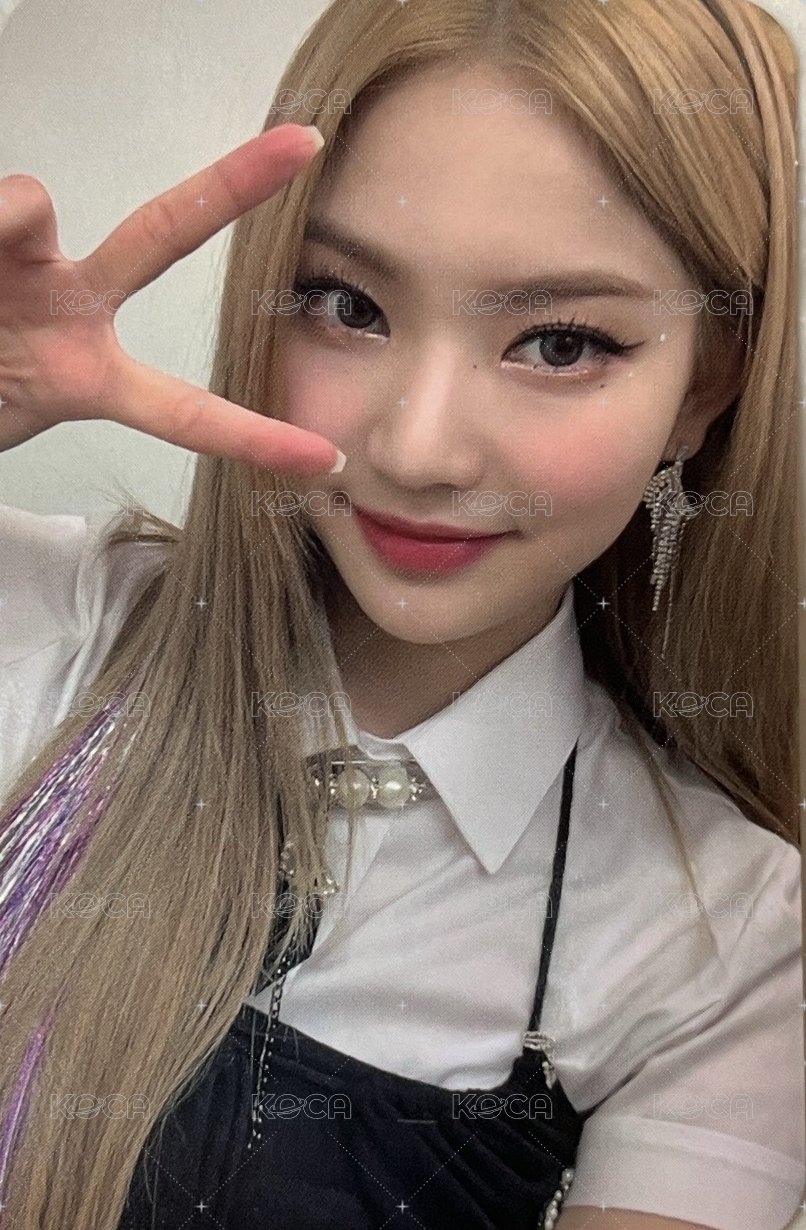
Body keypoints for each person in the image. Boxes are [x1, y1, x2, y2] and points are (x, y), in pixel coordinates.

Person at [0, 0, 802, 1227]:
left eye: (560, 342)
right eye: (345, 304)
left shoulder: (723, 951)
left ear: (705, 387)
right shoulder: (46, 629)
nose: (417, 451)